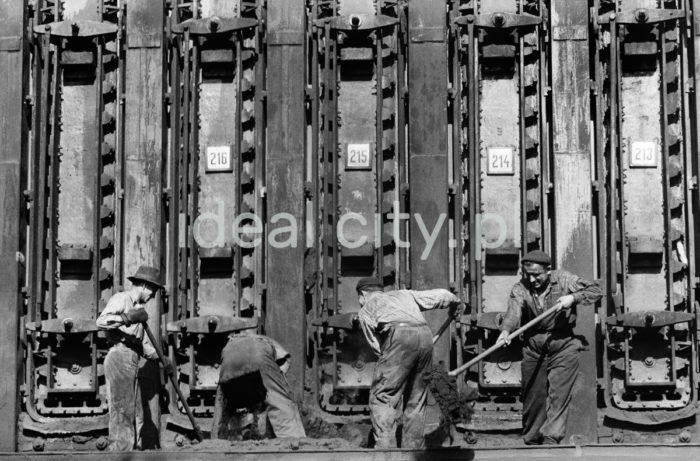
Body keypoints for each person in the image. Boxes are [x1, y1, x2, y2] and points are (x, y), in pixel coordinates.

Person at [497, 250, 602, 445]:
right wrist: (506, 331)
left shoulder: (564, 279)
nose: (532, 278)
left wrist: (573, 298)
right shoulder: (520, 288)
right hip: (533, 347)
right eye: (528, 274)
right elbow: (513, 313)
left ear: (548, 270)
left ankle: (551, 440)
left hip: (563, 346)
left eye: (537, 274)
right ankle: (532, 439)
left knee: (558, 396)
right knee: (533, 396)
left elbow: (596, 291)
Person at [355, 277, 463, 448]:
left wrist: (394, 365)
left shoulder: (366, 309)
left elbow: (378, 348)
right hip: (425, 335)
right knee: (416, 399)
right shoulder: (404, 295)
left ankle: (385, 450)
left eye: (359, 300)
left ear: (362, 294)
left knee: (383, 396)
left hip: (398, 337)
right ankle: (413, 449)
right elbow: (442, 295)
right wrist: (456, 303)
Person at [96, 265, 170, 451]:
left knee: (136, 412)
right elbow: (101, 321)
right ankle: (120, 454)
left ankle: (133, 452)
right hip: (120, 355)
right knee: (122, 410)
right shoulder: (121, 299)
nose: (153, 295)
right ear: (144, 285)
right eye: (153, 289)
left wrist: (161, 358)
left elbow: (143, 344)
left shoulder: (140, 309)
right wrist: (127, 317)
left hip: (132, 357)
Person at [211, 331, 306, 439]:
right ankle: (293, 439)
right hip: (258, 353)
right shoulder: (278, 351)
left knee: (222, 401)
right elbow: (278, 377)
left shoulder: (241, 340)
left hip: (228, 354)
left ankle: (217, 438)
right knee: (280, 400)